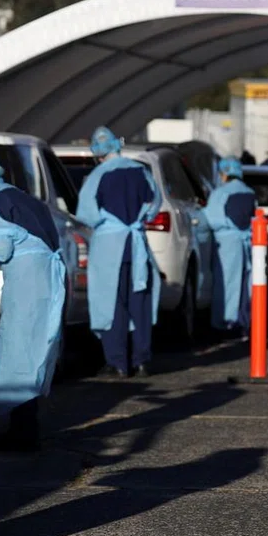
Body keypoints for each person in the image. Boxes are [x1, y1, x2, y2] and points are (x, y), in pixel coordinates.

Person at [0, 150, 66, 443]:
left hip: (27, 281)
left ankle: (19, 432)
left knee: (17, 348)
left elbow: (0, 250)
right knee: (35, 348)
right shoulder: (21, 197)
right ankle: (25, 427)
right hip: (45, 279)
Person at [76, 126, 162, 379]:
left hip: (108, 249)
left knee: (112, 304)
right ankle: (142, 360)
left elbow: (87, 214)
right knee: (140, 304)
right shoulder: (140, 171)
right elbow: (153, 204)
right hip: (136, 248)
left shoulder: (97, 176)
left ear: (98, 151)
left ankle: (117, 363)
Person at [204, 157, 256, 339]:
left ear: (223, 173)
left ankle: (225, 323)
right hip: (247, 244)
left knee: (226, 284)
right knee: (245, 285)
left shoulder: (220, 193)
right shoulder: (249, 191)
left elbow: (211, 218)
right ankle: (244, 323)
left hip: (226, 245)